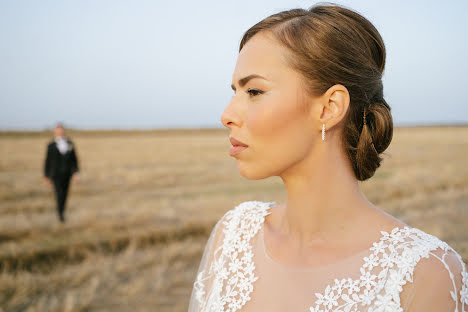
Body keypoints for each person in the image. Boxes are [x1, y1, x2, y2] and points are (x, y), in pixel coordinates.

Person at [189, 3, 468, 312]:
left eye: (253, 91)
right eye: (234, 92)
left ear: (329, 108)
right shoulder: (232, 236)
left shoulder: (425, 273)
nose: (226, 115)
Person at [43, 123, 80, 222]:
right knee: (58, 193)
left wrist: (76, 173)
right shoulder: (51, 145)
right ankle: (60, 214)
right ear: (55, 132)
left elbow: (74, 159)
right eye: (58, 130)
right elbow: (47, 161)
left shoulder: (70, 143)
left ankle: (62, 211)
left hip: (67, 174)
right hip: (55, 174)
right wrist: (46, 176)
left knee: (65, 194)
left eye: (62, 130)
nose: (60, 132)